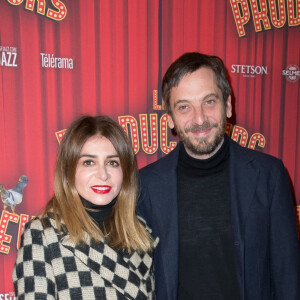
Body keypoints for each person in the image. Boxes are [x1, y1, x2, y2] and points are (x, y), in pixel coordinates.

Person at [138, 52, 300, 299]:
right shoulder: (146, 186)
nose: (199, 118)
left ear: (227, 105)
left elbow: (287, 276)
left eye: (209, 102)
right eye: (184, 107)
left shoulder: (269, 176)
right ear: (169, 118)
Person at [13, 115, 157, 299]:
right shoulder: (42, 235)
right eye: (89, 162)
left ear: (126, 172)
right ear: (69, 170)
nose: (103, 174)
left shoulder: (141, 232)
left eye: (112, 162)